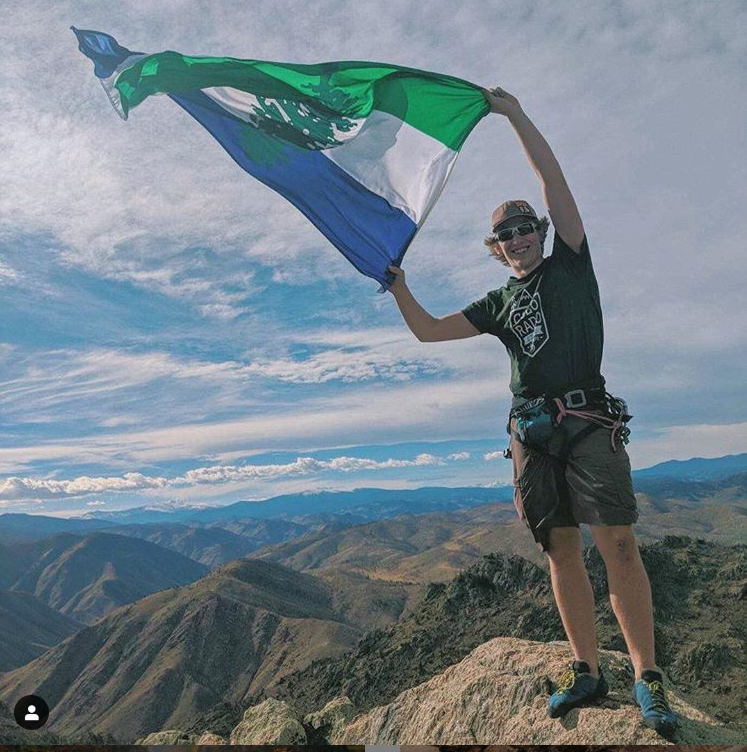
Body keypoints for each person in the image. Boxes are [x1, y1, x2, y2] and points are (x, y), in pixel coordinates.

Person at [387, 86, 679, 737]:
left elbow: (552, 180)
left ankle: (646, 675)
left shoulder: (571, 266)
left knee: (620, 547)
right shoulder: (495, 302)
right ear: (494, 248)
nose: (517, 237)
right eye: (505, 233)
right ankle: (585, 669)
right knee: (561, 553)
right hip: (530, 435)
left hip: (588, 424)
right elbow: (430, 333)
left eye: (525, 227)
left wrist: (513, 114)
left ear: (541, 233)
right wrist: (398, 287)